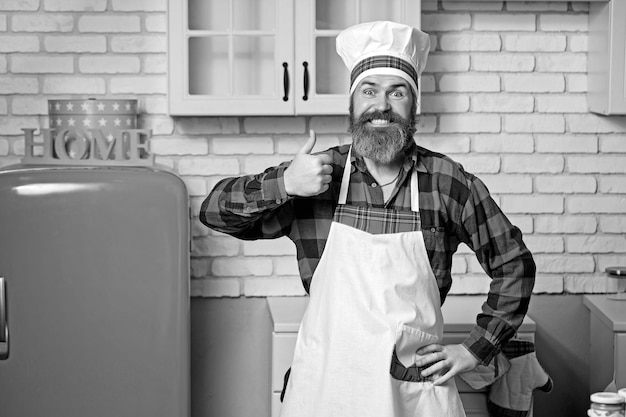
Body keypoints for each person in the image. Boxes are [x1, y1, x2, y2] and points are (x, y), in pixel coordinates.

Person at [200, 21, 535, 417]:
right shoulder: (318, 175)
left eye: (398, 92)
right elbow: (214, 212)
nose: (382, 105)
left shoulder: (447, 182)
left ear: (414, 105)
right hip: (325, 389)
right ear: (353, 104)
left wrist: (474, 349)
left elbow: (513, 263)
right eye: (369, 91)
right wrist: (285, 182)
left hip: (412, 395)